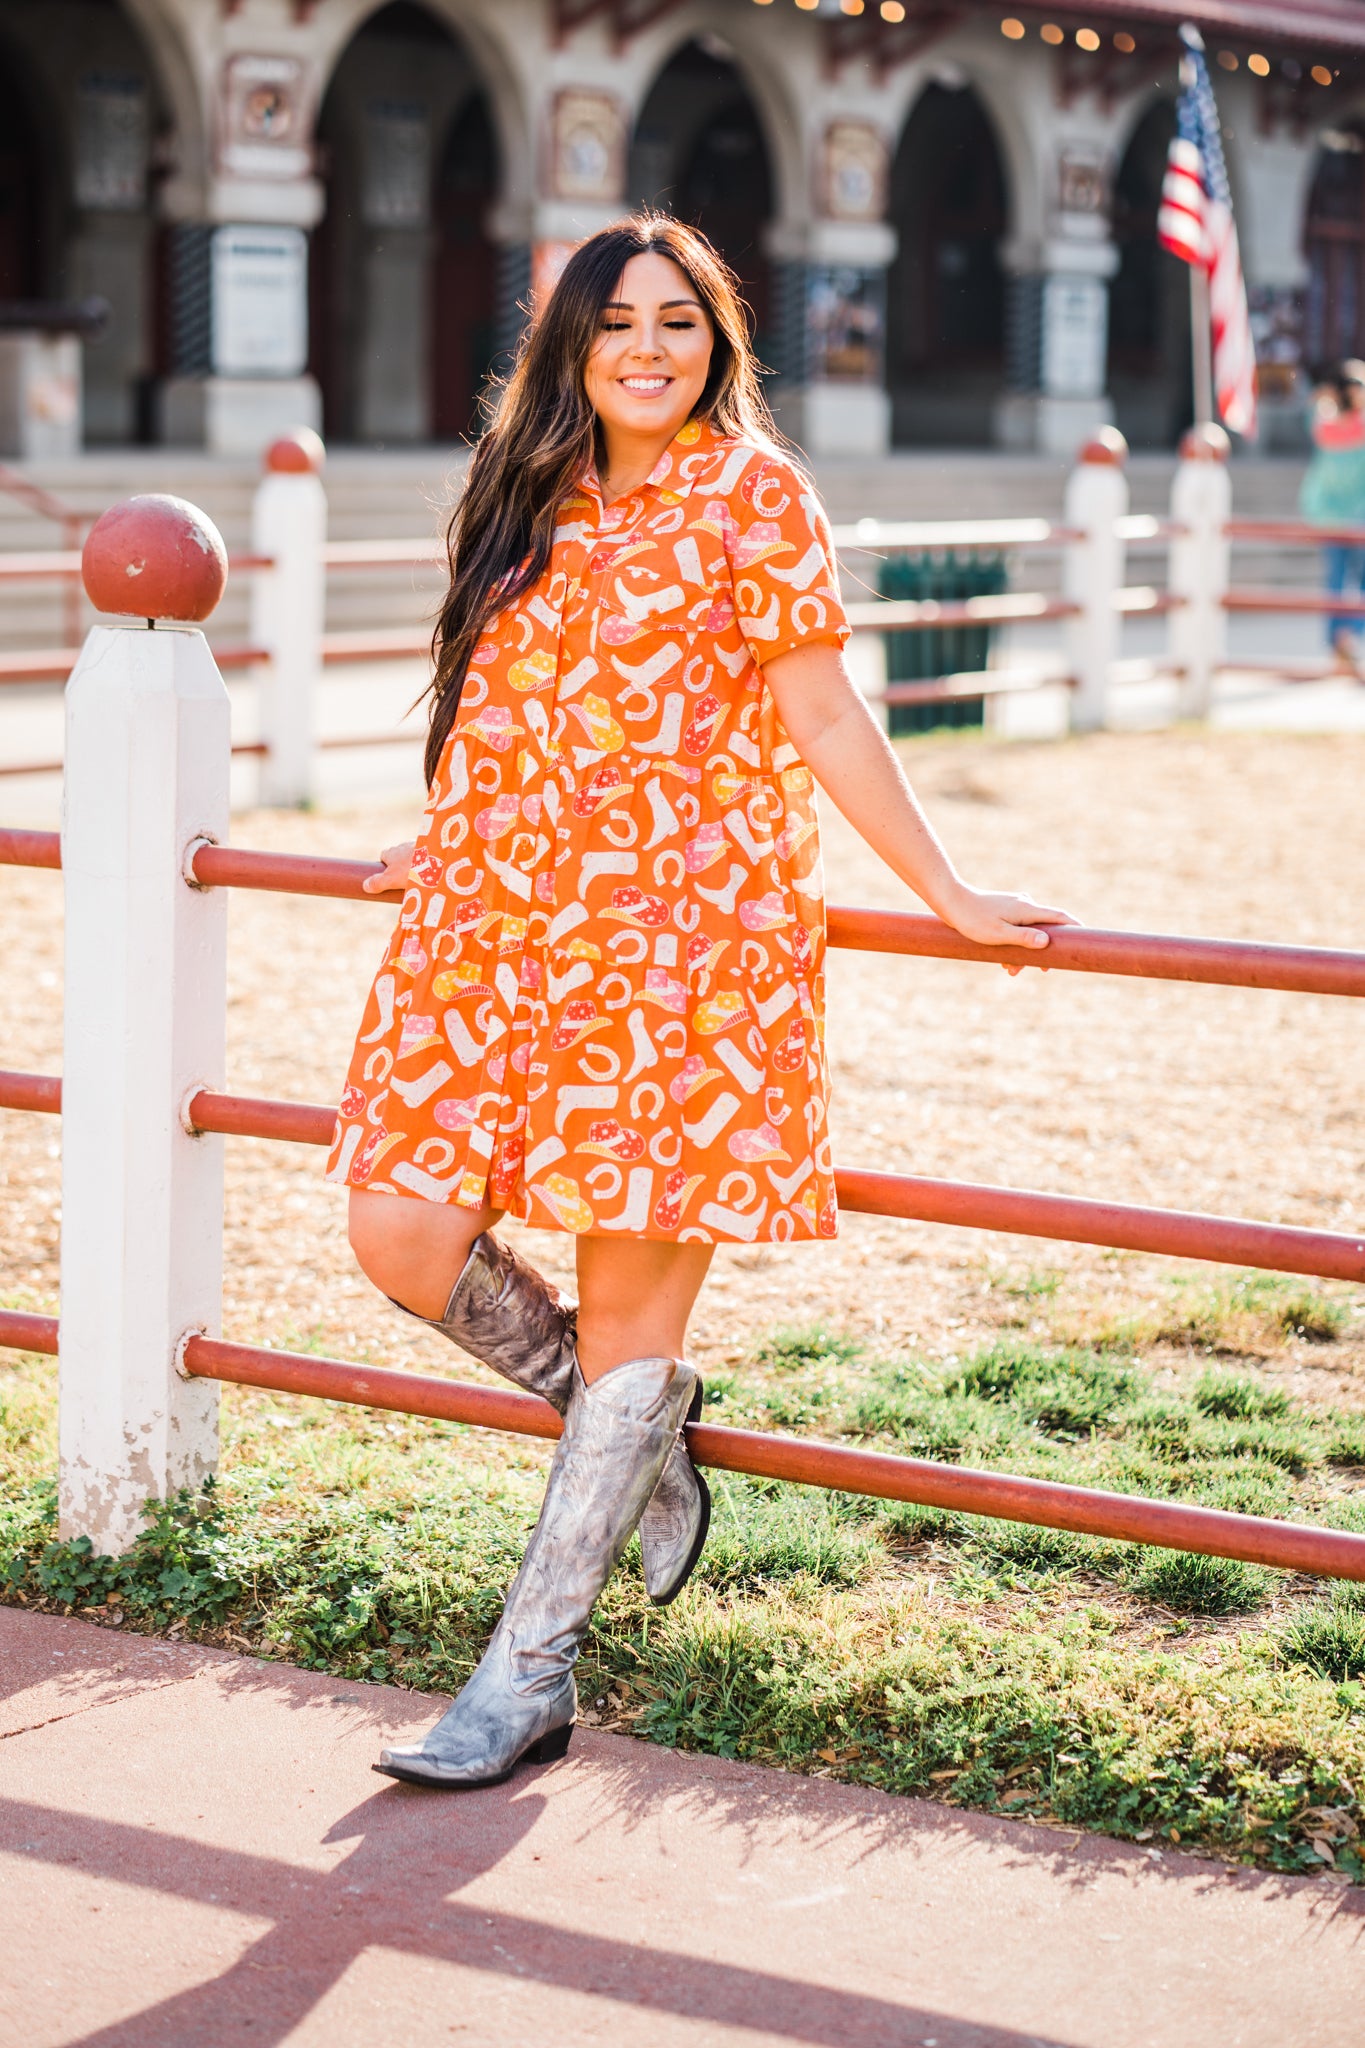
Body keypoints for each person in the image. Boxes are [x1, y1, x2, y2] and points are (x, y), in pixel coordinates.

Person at [326, 214, 1075, 1791]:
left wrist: (946, 891)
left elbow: (820, 707)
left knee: (628, 1303)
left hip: (684, 946)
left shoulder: (755, 494)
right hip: (496, 928)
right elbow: (504, 694)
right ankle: (641, 1442)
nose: (648, 350)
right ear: (570, 350)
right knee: (400, 1226)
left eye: (679, 321)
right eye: (615, 325)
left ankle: (527, 1673)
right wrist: (450, 830)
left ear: (718, 341)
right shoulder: (523, 486)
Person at [1301, 359, 1365, 675]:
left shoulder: (1322, 421)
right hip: (1348, 514)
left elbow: (1313, 412)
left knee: (1340, 579)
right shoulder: (1347, 424)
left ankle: (1341, 641)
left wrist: (1325, 397)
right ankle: (1345, 637)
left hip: (1336, 513)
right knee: (1343, 578)